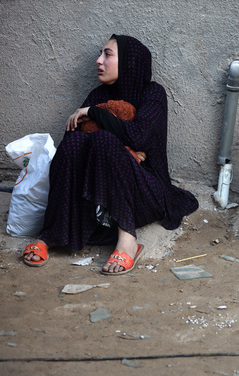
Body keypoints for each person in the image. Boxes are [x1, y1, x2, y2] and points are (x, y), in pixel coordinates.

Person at [22, 35, 199, 274]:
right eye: (101, 54)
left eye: (107, 54)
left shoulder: (152, 94)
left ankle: (128, 241)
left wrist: (96, 114)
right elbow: (74, 146)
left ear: (128, 61)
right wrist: (122, 146)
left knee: (103, 140)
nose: (99, 61)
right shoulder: (98, 95)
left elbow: (138, 136)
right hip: (100, 190)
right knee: (74, 141)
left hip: (146, 191)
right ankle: (52, 233)